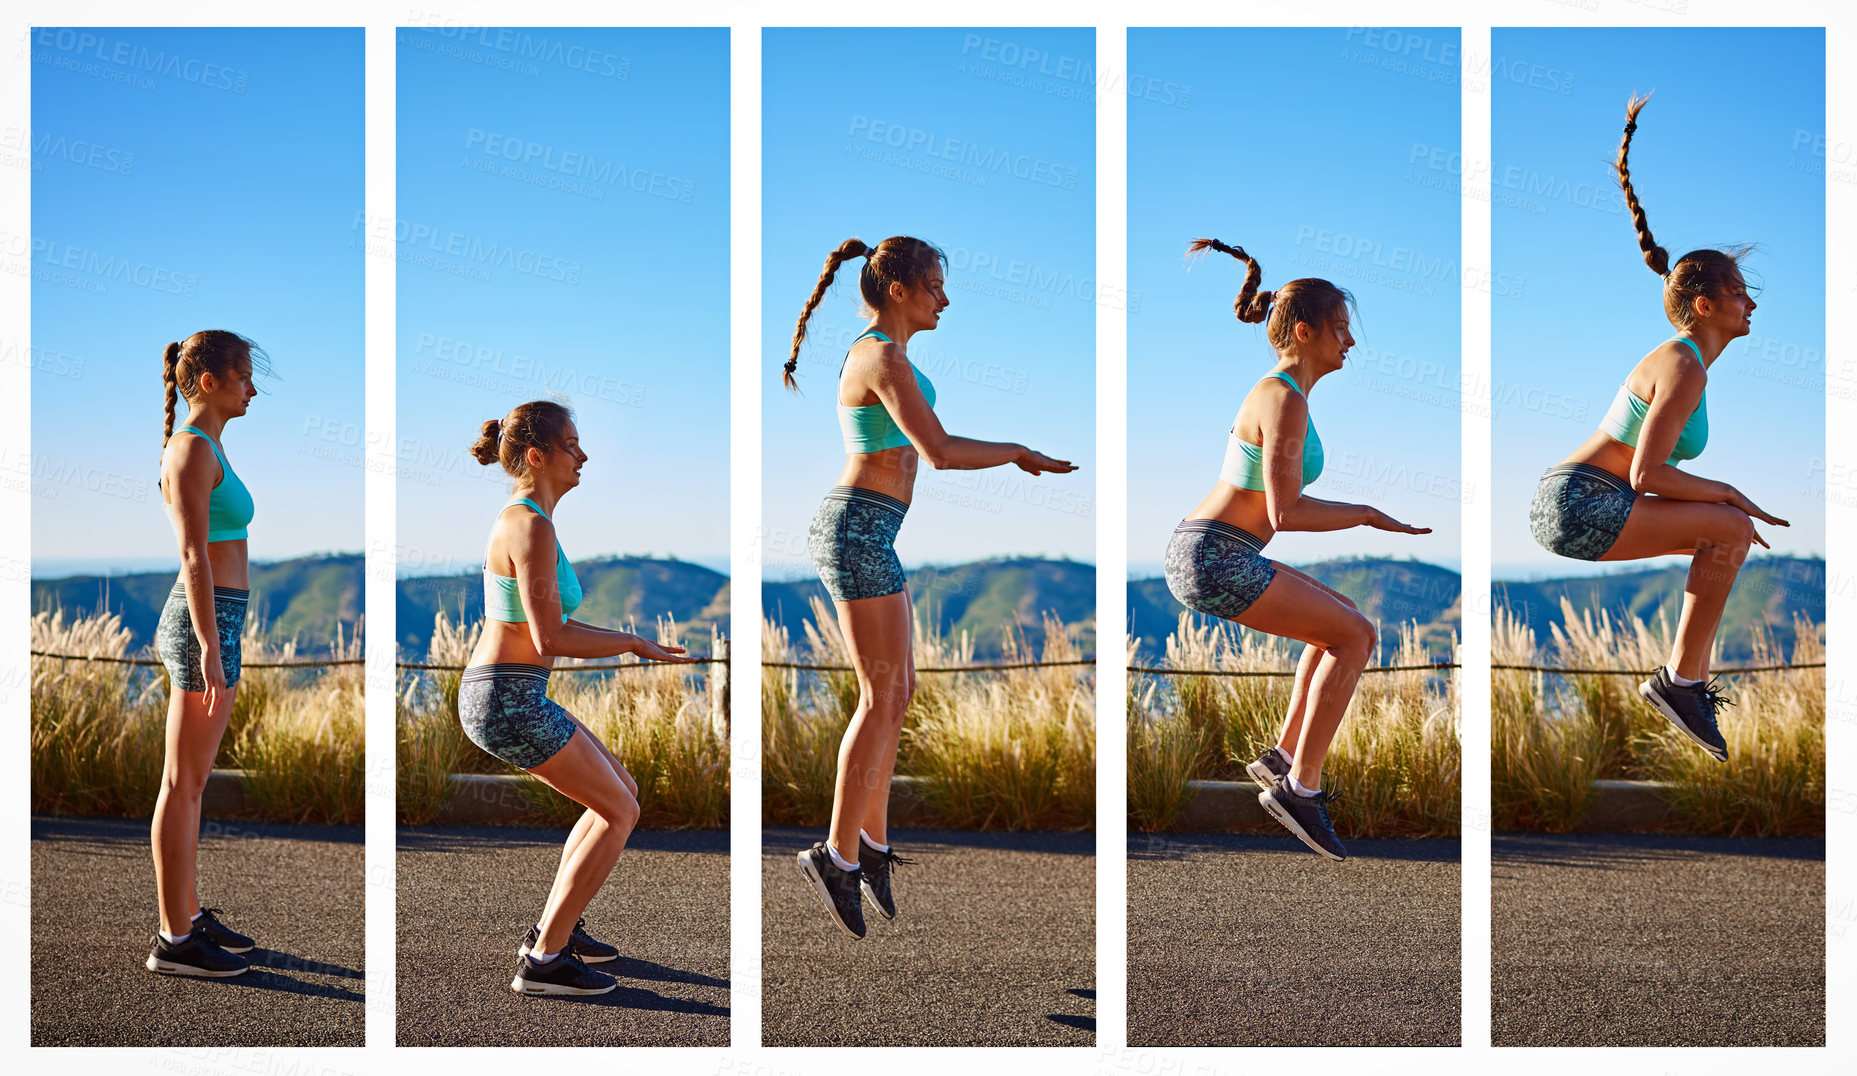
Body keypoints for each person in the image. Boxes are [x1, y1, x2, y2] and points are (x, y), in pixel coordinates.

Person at [781, 236, 1076, 937]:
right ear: (899, 290)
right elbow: (937, 452)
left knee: (898, 692)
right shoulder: (879, 355)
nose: (945, 297)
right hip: (855, 527)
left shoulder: (889, 354)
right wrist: (1015, 452)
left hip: (871, 529)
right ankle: (834, 853)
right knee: (880, 694)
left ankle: (871, 846)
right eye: (935, 285)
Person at [1526, 95, 1784, 762]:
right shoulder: (1682, 363)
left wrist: (1721, 501)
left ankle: (1682, 681)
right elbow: (1645, 476)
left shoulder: (1687, 363)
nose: (1748, 302)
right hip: (1580, 499)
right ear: (1703, 305)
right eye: (1737, 291)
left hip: (1584, 499)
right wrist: (1726, 493)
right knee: (1726, 527)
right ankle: (1680, 684)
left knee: (1721, 533)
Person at [1165, 240, 1430, 861]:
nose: (1351, 342)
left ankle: (1284, 757)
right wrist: (1365, 514)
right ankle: (1300, 790)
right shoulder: (1282, 397)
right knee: (1356, 636)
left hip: (1217, 548)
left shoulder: (1288, 395)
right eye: (1341, 329)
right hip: (1214, 553)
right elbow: (1285, 515)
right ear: (1305, 332)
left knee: (1339, 621)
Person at [461, 400, 698, 995]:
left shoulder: (533, 520)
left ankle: (557, 927)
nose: (584, 454)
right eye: (572, 444)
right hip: (505, 699)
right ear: (537, 455)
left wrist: (634, 642)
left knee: (621, 793)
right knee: (621, 811)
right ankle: (545, 960)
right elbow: (552, 636)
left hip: (512, 692)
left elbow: (546, 631)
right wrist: (632, 644)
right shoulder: (529, 525)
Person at [147, 330, 267, 977]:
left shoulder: (206, 445)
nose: (253, 388)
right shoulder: (191, 449)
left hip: (218, 618)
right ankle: (174, 939)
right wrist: (209, 647)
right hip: (204, 623)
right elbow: (193, 555)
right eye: (245, 375)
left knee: (191, 783)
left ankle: (188, 915)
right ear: (211, 380)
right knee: (183, 783)